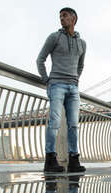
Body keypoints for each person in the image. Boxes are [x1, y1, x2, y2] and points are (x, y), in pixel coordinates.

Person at [36, 7, 86, 173]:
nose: (61, 19)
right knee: (54, 123)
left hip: (73, 89)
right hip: (56, 85)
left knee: (73, 125)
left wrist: (76, 80)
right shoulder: (54, 37)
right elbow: (40, 60)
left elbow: (81, 65)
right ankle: (50, 160)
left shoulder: (82, 43)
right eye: (60, 16)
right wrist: (47, 81)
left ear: (74, 19)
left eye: (64, 16)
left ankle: (73, 161)